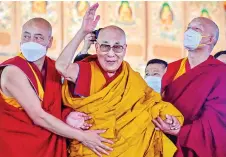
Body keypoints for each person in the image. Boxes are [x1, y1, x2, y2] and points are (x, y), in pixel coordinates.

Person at [56, 3, 184, 157]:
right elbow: (61, 66)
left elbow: (151, 103)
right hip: (94, 149)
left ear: (125, 49)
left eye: (117, 47)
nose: (111, 53)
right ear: (96, 48)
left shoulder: (131, 77)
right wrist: (82, 32)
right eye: (105, 46)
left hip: (132, 149)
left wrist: (171, 119)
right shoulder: (86, 71)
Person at [0, 17, 112, 157]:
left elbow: (58, 103)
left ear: (50, 41)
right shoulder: (13, 71)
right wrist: (83, 137)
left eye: (38, 37)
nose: (31, 42)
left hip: (48, 146)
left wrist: (67, 115)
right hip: (18, 147)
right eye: (26, 36)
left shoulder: (52, 68)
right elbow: (38, 116)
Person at [162, 17, 226, 157]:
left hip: (194, 145)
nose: (189, 32)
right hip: (165, 140)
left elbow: (216, 121)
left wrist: (180, 131)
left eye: (197, 29)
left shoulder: (221, 73)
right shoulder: (172, 68)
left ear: (210, 40)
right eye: (188, 28)